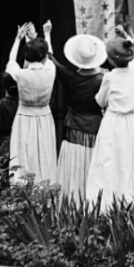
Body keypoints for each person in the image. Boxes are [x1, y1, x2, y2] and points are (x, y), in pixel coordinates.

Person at [85, 37, 134, 209]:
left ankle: (106, 205)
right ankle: (127, 202)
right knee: (127, 161)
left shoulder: (109, 77)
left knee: (109, 160)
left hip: (113, 122)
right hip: (130, 123)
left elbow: (100, 100)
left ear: (110, 59)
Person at [51, 27, 107, 199]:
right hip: (96, 131)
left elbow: (52, 60)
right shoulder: (105, 78)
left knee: (74, 169)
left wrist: (47, 34)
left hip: (73, 132)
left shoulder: (70, 77)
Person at [6, 23, 58, 184]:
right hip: (44, 117)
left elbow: (11, 61)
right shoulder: (50, 71)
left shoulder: (20, 74)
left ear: (26, 57)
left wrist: (18, 39)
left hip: (24, 118)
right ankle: (45, 188)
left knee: (23, 153)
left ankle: (22, 188)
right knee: (44, 152)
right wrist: (46, 34)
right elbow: (48, 56)